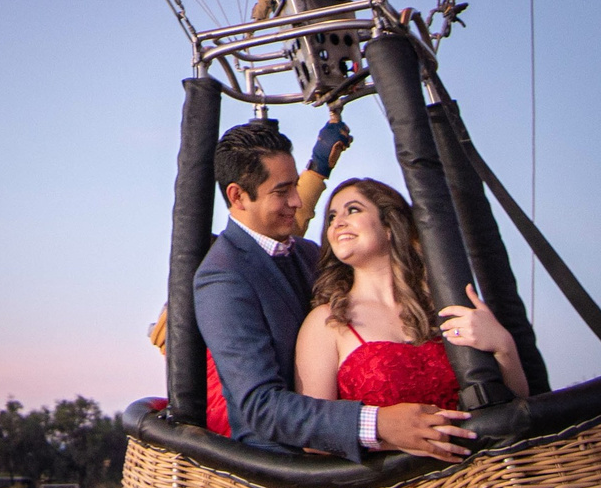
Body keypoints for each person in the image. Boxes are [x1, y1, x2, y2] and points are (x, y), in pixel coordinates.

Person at [191, 121, 470, 461]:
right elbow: (260, 407)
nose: (295, 200)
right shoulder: (223, 277)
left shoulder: (308, 254)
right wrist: (377, 423)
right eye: (282, 191)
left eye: (295, 186)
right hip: (291, 473)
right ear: (238, 196)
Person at [295, 177, 530, 418]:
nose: (338, 223)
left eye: (352, 210)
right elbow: (315, 433)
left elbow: (517, 407)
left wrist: (503, 346)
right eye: (332, 217)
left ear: (389, 225)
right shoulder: (328, 322)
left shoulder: (443, 306)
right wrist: (385, 434)